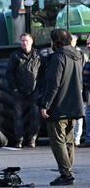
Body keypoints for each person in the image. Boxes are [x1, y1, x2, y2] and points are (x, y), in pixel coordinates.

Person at [39, 29, 84, 186]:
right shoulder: (79, 56)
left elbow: (53, 84)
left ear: (55, 42)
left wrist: (45, 105)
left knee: (58, 142)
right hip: (75, 106)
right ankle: (67, 171)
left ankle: (66, 174)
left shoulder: (58, 57)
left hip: (58, 107)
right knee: (69, 141)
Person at [6, 33, 41, 148]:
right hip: (19, 90)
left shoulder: (38, 55)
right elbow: (9, 73)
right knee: (18, 115)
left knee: (36, 114)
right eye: (22, 41)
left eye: (26, 41)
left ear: (31, 41)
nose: (24, 43)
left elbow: (43, 72)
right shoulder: (15, 56)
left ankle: (32, 138)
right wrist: (14, 88)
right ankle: (19, 139)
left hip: (34, 90)